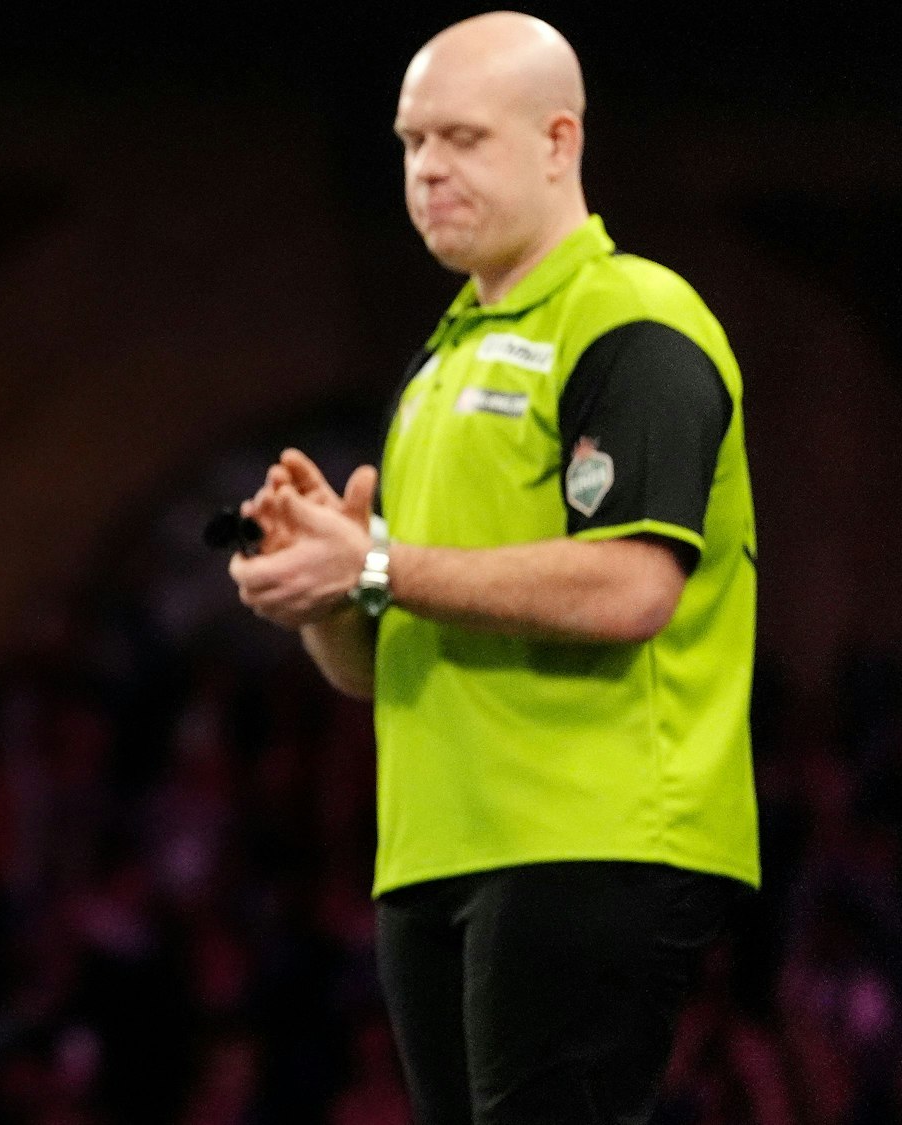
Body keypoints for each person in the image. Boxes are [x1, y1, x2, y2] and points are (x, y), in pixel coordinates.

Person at [226, 13, 757, 1124]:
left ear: (557, 142)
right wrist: (328, 588)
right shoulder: (438, 362)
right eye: (411, 142)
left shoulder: (632, 320)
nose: (426, 171)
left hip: (591, 832)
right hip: (431, 849)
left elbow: (629, 587)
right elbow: (375, 662)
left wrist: (373, 560)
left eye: (461, 139)